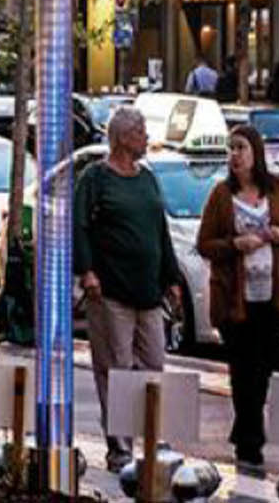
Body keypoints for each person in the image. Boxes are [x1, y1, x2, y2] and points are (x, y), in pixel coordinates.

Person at [196, 123, 279, 475]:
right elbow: (205, 244)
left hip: (273, 296)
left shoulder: (278, 188)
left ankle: (245, 432)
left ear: (256, 153)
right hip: (235, 300)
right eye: (231, 149)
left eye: (241, 148)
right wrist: (236, 244)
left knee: (262, 370)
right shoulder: (221, 195)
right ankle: (251, 444)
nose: (234, 155)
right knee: (242, 370)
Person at [75, 105, 184, 472]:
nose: (146, 138)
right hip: (111, 291)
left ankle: (154, 437)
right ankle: (120, 447)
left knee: (154, 364)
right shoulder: (95, 179)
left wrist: (171, 277)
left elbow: (159, 230)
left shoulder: (147, 178)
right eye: (140, 132)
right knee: (116, 369)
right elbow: (80, 226)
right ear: (122, 138)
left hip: (148, 291)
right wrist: (87, 271)